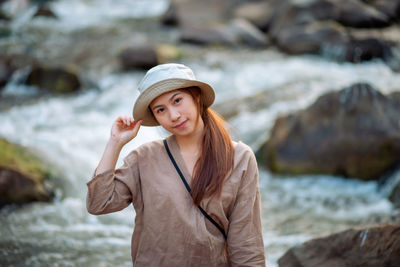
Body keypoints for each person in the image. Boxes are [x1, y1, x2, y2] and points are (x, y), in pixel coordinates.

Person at [86, 63, 265, 266]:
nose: (173, 115)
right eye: (161, 110)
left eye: (177, 100)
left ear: (196, 97)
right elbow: (98, 204)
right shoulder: (144, 158)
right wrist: (115, 143)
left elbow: (247, 245)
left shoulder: (239, 158)